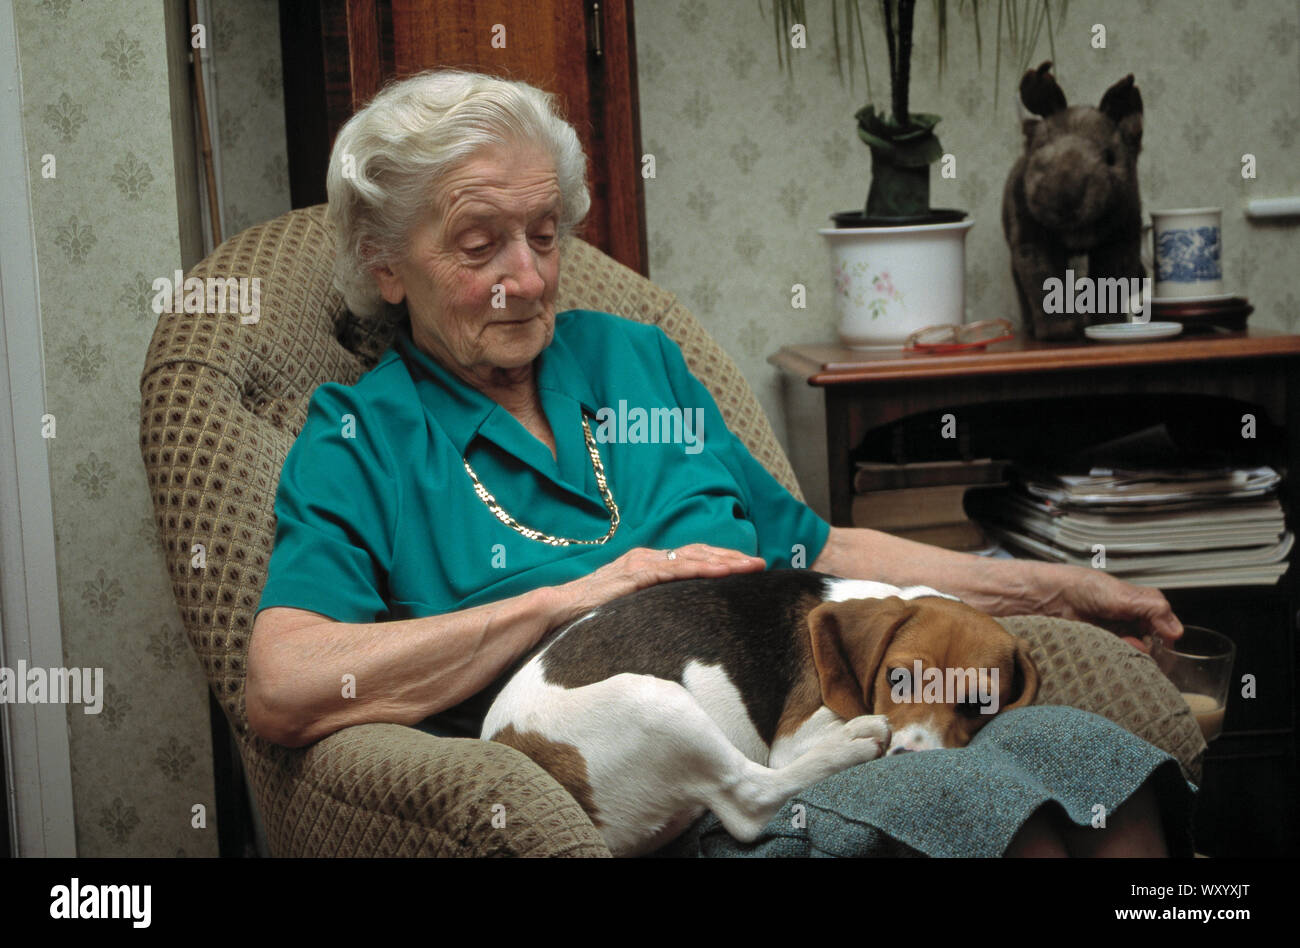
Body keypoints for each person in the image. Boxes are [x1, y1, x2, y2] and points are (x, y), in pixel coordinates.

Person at [247, 69, 1195, 857]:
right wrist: (569, 597)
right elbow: (286, 684)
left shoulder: (634, 362)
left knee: (1103, 771)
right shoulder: (361, 440)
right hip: (662, 798)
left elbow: (820, 549)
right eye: (478, 242)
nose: (528, 277)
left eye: (544, 235)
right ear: (383, 263)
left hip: (825, 725)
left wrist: (1059, 589)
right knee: (1003, 822)